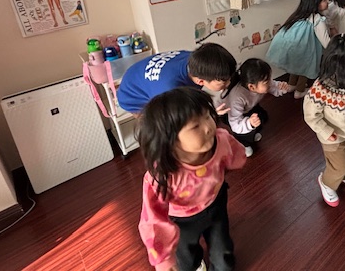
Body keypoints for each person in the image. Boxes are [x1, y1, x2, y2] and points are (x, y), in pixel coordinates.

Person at [138, 87, 246, 271]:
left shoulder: (222, 140)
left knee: (224, 257)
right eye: (195, 126)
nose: (208, 127)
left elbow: (235, 155)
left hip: (216, 205)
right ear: (169, 140)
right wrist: (163, 259)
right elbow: (153, 219)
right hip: (182, 220)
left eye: (207, 116)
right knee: (186, 261)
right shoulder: (162, 174)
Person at [303, 33, 345, 207]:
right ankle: (327, 182)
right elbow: (311, 116)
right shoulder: (321, 89)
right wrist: (326, 131)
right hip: (331, 137)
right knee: (339, 165)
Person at [117, 43, 236, 114]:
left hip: (138, 75)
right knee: (163, 130)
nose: (229, 83)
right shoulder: (170, 90)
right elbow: (174, 118)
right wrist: (209, 114)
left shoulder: (195, 61)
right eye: (224, 81)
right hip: (131, 95)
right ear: (200, 81)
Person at [266, 0, 330, 99]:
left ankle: (291, 85)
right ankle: (299, 91)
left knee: (296, 65)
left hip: (294, 49)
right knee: (305, 68)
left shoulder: (298, 15)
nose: (327, 2)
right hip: (303, 50)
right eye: (324, 0)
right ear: (316, 3)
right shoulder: (317, 20)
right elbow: (326, 42)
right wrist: (335, 48)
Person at [220, 58, 291, 157]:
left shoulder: (261, 84)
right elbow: (235, 124)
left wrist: (282, 88)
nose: (270, 82)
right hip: (231, 115)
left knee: (262, 118)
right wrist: (249, 123)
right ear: (252, 87)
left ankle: (252, 132)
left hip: (249, 107)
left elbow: (273, 86)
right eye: (266, 82)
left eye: (269, 78)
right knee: (246, 131)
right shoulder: (237, 98)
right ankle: (243, 144)